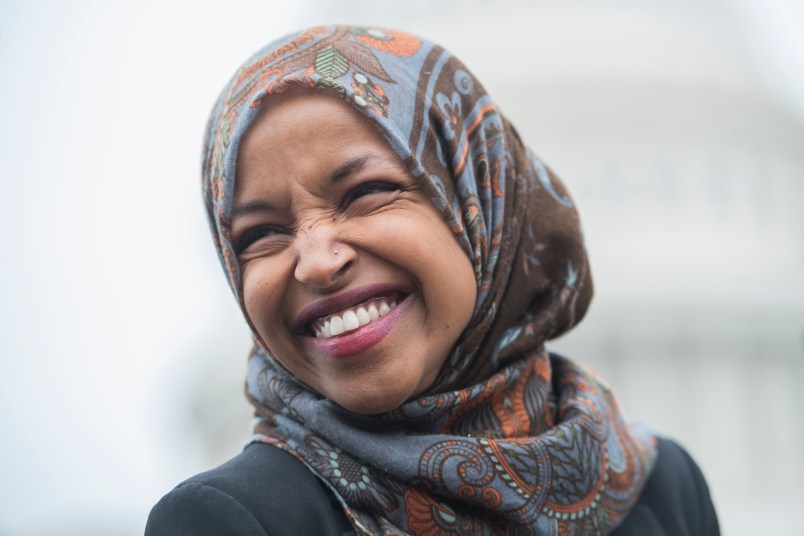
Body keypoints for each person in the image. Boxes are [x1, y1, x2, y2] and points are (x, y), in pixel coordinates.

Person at [146, 25, 719, 535]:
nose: (317, 260)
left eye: (365, 193)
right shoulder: (229, 520)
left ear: (480, 210)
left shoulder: (662, 487)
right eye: (259, 234)